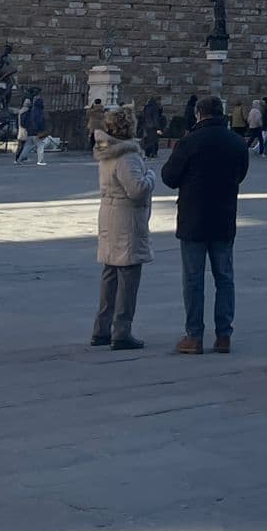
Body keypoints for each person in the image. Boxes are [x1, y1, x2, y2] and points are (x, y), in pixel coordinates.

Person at [161, 95, 249, 353]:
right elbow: (241, 174)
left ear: (199, 114)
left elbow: (169, 177)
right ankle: (224, 335)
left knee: (193, 279)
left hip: (193, 219)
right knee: (225, 277)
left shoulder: (190, 141)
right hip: (224, 217)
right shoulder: (236, 142)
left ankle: (194, 336)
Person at [90, 105, 157, 350]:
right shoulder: (127, 156)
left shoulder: (106, 153)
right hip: (126, 219)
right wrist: (151, 176)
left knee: (110, 274)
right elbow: (137, 190)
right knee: (128, 277)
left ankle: (101, 328)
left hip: (109, 214)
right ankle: (122, 330)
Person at [16, 87, 48, 165]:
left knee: (28, 146)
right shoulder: (39, 112)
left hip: (30, 131)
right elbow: (40, 121)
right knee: (41, 146)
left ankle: (20, 158)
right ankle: (40, 160)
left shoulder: (30, 110)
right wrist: (42, 129)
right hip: (36, 131)